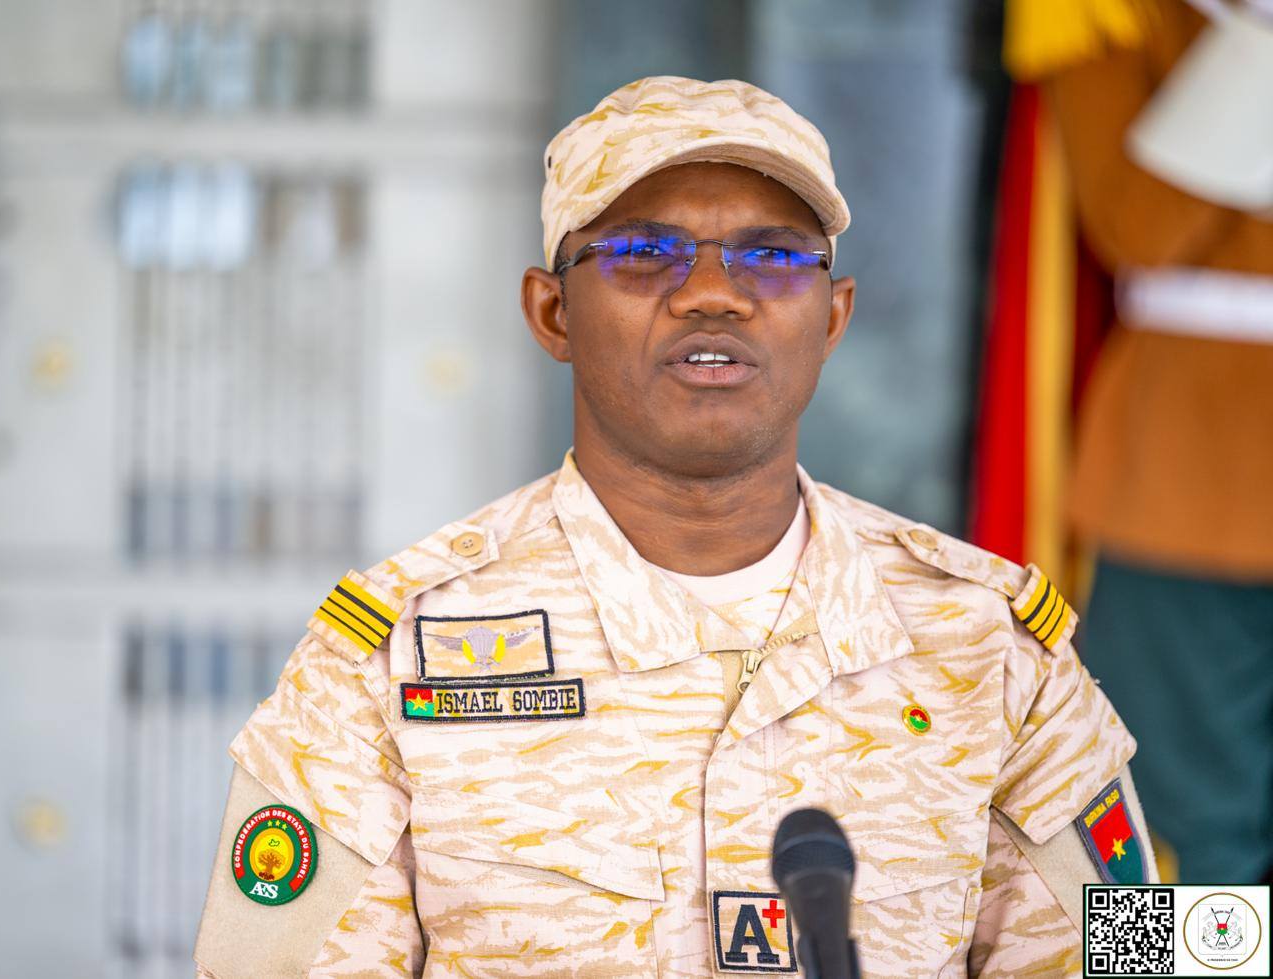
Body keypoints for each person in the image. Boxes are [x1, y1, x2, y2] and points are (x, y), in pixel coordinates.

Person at [194, 76, 1155, 979]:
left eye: (773, 256)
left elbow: (1148, 959)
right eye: (643, 252)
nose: (712, 292)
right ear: (552, 312)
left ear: (833, 317)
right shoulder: (391, 654)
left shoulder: (993, 649)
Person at [1038, 0, 1273, 884]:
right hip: (1191, 468)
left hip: (1193, 466)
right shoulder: (1104, 15)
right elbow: (1134, 224)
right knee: (1158, 830)